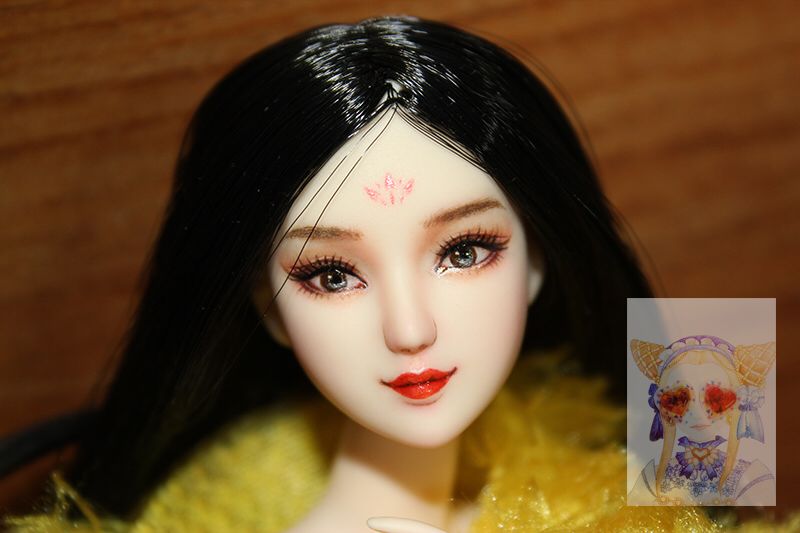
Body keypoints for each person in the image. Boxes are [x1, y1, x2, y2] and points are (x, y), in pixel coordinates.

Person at [7, 15, 790, 532]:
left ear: (537, 262)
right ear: (268, 307)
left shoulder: (642, 464)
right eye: (331, 274)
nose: (410, 328)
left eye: (465, 250)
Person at [628, 335, 776, 506]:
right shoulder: (650, 479)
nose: (698, 414)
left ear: (737, 402)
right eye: (679, 399)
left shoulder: (753, 479)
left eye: (715, 399)